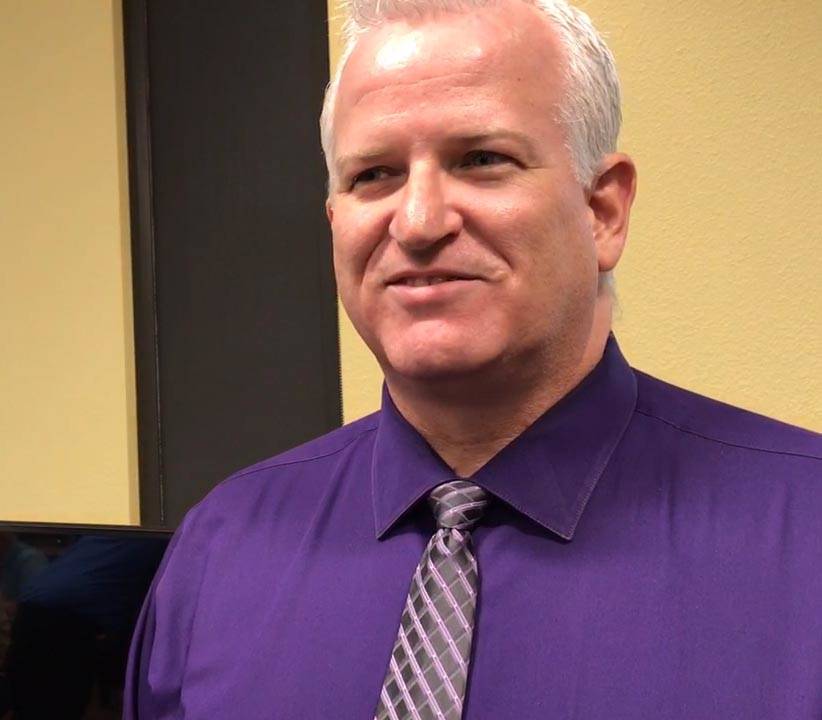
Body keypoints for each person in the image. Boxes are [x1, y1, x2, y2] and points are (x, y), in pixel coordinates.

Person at [125, 1, 822, 718]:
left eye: (482, 160)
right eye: (374, 174)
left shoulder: (806, 535)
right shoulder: (223, 549)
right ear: (335, 219)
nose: (419, 222)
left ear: (603, 212)